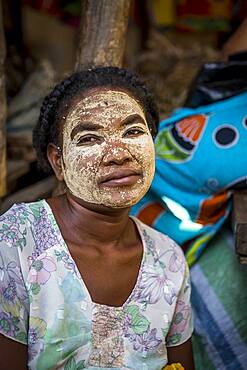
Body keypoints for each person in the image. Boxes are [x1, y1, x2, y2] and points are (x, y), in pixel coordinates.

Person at [0, 67, 194, 370]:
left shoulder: (168, 260)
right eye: (90, 138)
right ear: (59, 162)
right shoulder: (17, 240)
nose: (118, 154)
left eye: (132, 132)